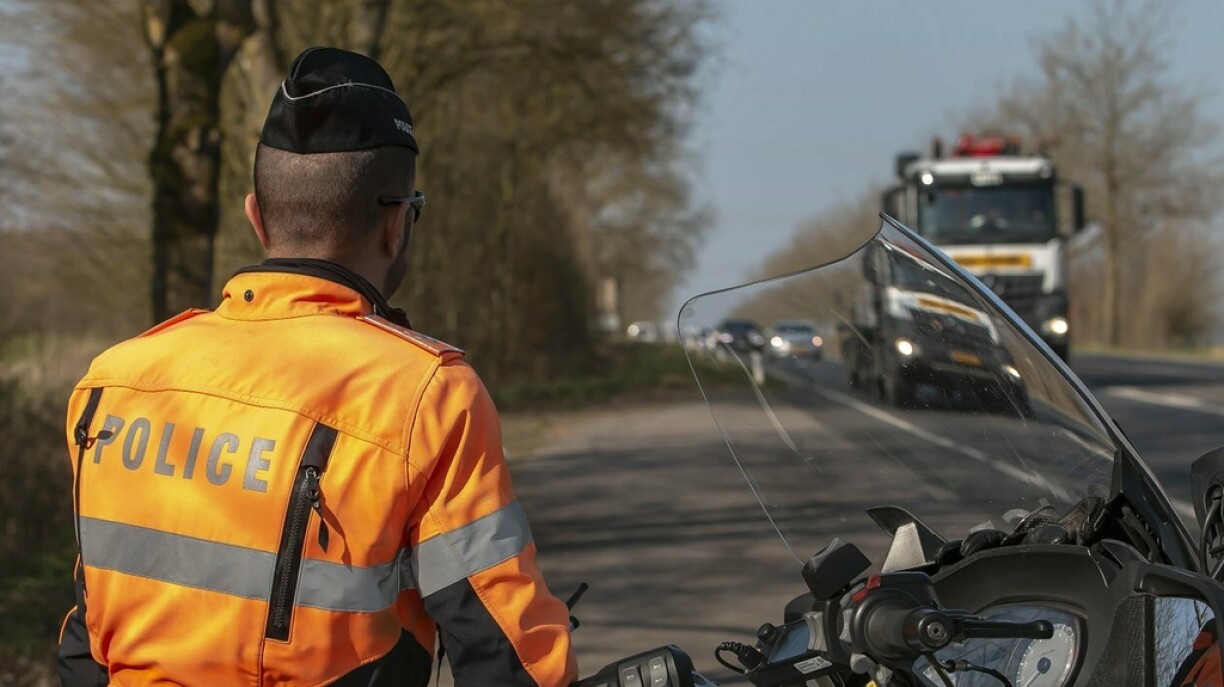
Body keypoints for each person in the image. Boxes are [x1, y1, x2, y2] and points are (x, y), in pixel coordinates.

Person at [56, 47, 577, 686]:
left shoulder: (112, 382)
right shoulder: (427, 396)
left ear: (256, 216)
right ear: (397, 225)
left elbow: (86, 637)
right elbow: (507, 655)